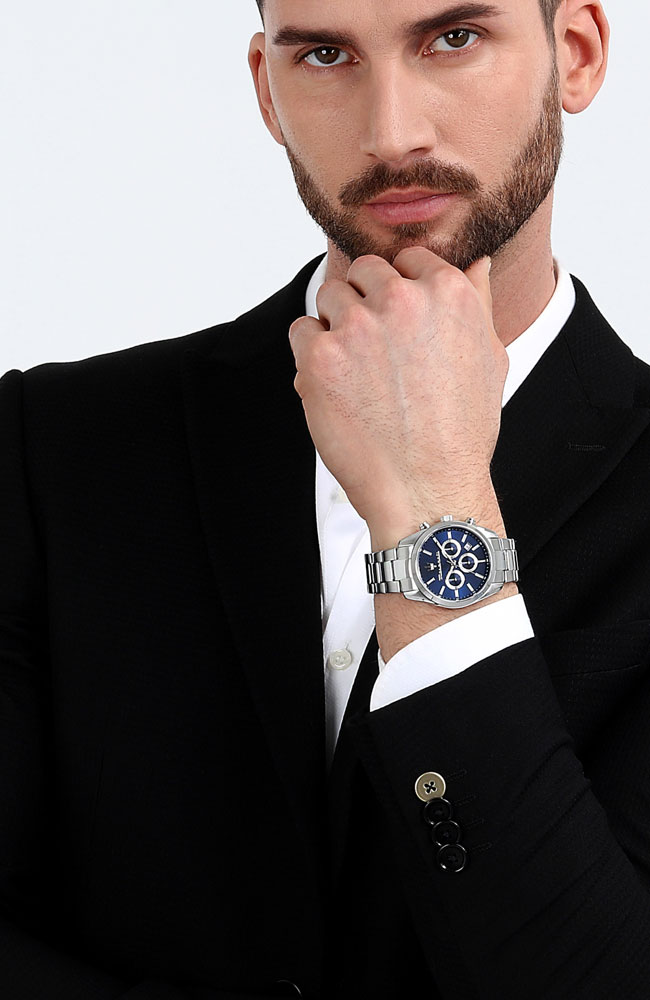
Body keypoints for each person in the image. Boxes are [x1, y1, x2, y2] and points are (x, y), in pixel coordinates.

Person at [1, 0, 649, 997]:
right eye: (326, 55)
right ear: (268, 90)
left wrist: (434, 507)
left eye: (453, 38)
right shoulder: (51, 445)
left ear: (575, 54)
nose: (391, 132)